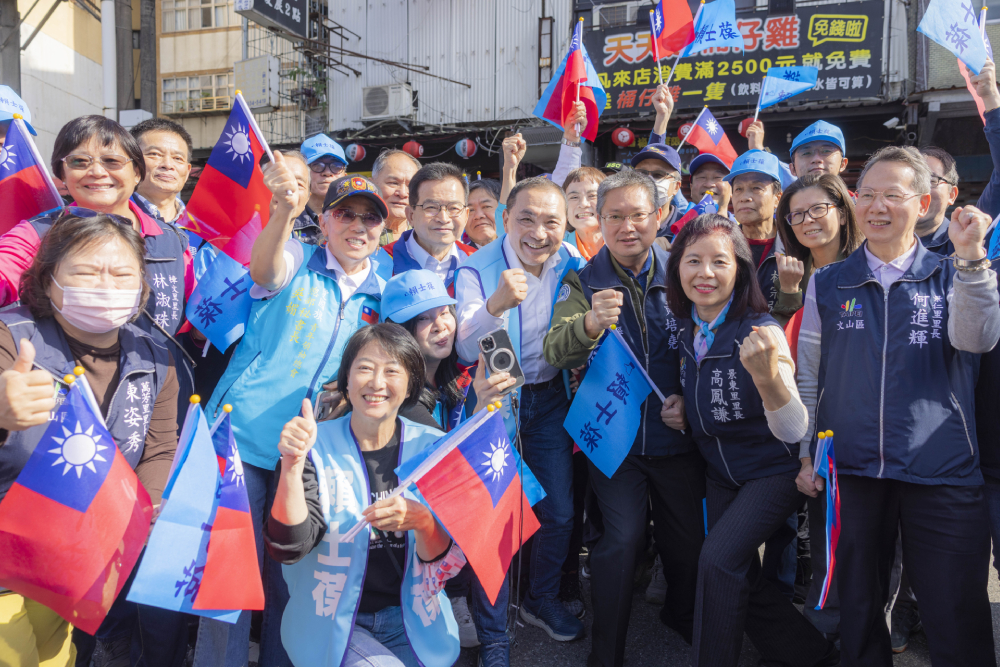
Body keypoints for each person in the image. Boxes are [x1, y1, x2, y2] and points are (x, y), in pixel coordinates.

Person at [796, 146, 1000, 666]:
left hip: (944, 470)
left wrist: (973, 260)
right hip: (853, 470)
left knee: (955, 608)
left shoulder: (955, 273)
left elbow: (977, 340)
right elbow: (809, 376)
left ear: (924, 202)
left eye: (893, 195)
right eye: (866, 194)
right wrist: (805, 454)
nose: (877, 206)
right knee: (858, 608)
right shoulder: (826, 282)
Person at [201, 159, 389, 667]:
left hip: (313, 452)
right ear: (324, 221)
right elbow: (264, 269)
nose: (357, 226)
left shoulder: (383, 287)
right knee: (229, 579)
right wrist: (283, 211)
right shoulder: (296, 255)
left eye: (369, 218)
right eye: (345, 214)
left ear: (383, 228)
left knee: (294, 578)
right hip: (244, 438)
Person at [0, 214, 182, 667]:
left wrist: (140, 517)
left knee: (56, 656)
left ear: (142, 286)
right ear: (49, 279)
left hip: (77, 555)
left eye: (121, 273)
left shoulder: (157, 355)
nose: (104, 285)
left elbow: (159, 447)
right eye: (84, 271)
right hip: (7, 546)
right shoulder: (10, 337)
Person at [543, 168, 705, 667]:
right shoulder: (582, 279)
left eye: (638, 214)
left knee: (688, 544)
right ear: (599, 219)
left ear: (659, 216)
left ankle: (682, 616)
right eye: (614, 216)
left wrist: (688, 402)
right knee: (620, 541)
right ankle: (607, 649)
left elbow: (717, 337)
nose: (627, 226)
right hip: (615, 442)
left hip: (678, 439)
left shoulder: (686, 268)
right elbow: (555, 350)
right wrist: (590, 322)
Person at [663, 213, 838, 667]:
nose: (705, 273)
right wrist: (683, 406)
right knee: (742, 574)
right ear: (677, 267)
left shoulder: (762, 331)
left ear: (739, 269)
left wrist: (770, 382)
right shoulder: (688, 328)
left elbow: (794, 427)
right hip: (722, 472)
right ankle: (807, 653)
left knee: (718, 563)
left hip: (772, 473)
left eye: (719, 261)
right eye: (693, 260)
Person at [266, 323, 465, 667]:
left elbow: (443, 564)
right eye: (364, 369)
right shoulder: (314, 446)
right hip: (333, 621)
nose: (376, 383)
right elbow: (291, 547)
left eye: (392, 371)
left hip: (412, 616)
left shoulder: (432, 448)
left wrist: (422, 521)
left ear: (409, 386)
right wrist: (291, 467)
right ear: (345, 380)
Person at [455, 176, 586, 643]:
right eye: (525, 218)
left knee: (560, 513)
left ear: (566, 225)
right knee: (494, 516)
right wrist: (496, 304)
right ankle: (490, 624)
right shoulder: (475, 268)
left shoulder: (571, 260)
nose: (538, 232)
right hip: (496, 402)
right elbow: (466, 346)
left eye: (551, 221)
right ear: (504, 218)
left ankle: (540, 598)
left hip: (550, 399)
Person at [0, 115, 195, 408]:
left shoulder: (173, 240)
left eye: (112, 161)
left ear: (137, 172)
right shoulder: (37, 235)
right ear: (61, 176)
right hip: (67, 404)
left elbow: (194, 320)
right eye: (79, 162)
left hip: (162, 404)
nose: (96, 171)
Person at [380, 269, 516, 666]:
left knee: (496, 509)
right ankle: (460, 610)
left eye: (445, 312)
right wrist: (477, 408)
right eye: (424, 318)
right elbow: (439, 458)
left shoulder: (457, 370)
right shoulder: (400, 387)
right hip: (410, 520)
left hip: (447, 503)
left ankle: (494, 639)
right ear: (399, 330)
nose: (440, 325)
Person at [771, 174, 864, 327]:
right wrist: (789, 291)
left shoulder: (868, 269)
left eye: (818, 208)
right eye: (797, 214)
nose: (808, 220)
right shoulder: (790, 276)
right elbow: (785, 337)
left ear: (843, 215)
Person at [382, 162, 475, 289]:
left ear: (466, 215)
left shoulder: (477, 261)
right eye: (431, 207)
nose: (443, 218)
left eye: (454, 208)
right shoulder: (381, 262)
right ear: (411, 215)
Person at [723, 151, 784, 309]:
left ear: (777, 198)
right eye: (738, 189)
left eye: (756, 188)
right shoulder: (722, 244)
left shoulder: (796, 244)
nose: (745, 197)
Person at [129, 118, 193, 227]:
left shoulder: (205, 233)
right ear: (131, 162)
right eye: (155, 154)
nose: (168, 165)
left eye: (177, 158)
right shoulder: (111, 220)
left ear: (187, 172)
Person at [296, 133, 347, 245]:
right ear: (301, 173)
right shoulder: (286, 217)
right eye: (317, 165)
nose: (327, 173)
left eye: (336, 166)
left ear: (345, 175)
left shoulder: (359, 217)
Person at [914, 146, 959, 256]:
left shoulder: (963, 243)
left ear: (951, 195)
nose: (921, 190)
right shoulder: (876, 242)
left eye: (932, 181)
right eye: (913, 181)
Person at [371, 148, 421, 246]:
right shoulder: (357, 232)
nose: (402, 193)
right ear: (372, 184)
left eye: (410, 186)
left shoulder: (426, 235)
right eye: (393, 183)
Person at [630, 143, 682, 237]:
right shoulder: (619, 222)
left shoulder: (688, 229)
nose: (648, 180)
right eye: (641, 173)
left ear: (676, 187)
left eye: (658, 175)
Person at [562, 167, 605, 261]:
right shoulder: (556, 249)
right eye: (574, 197)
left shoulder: (624, 241)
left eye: (592, 196)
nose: (583, 204)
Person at [465, 178, 501, 248]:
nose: (478, 215)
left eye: (486, 206)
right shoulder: (460, 257)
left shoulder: (523, 254)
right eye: (471, 210)